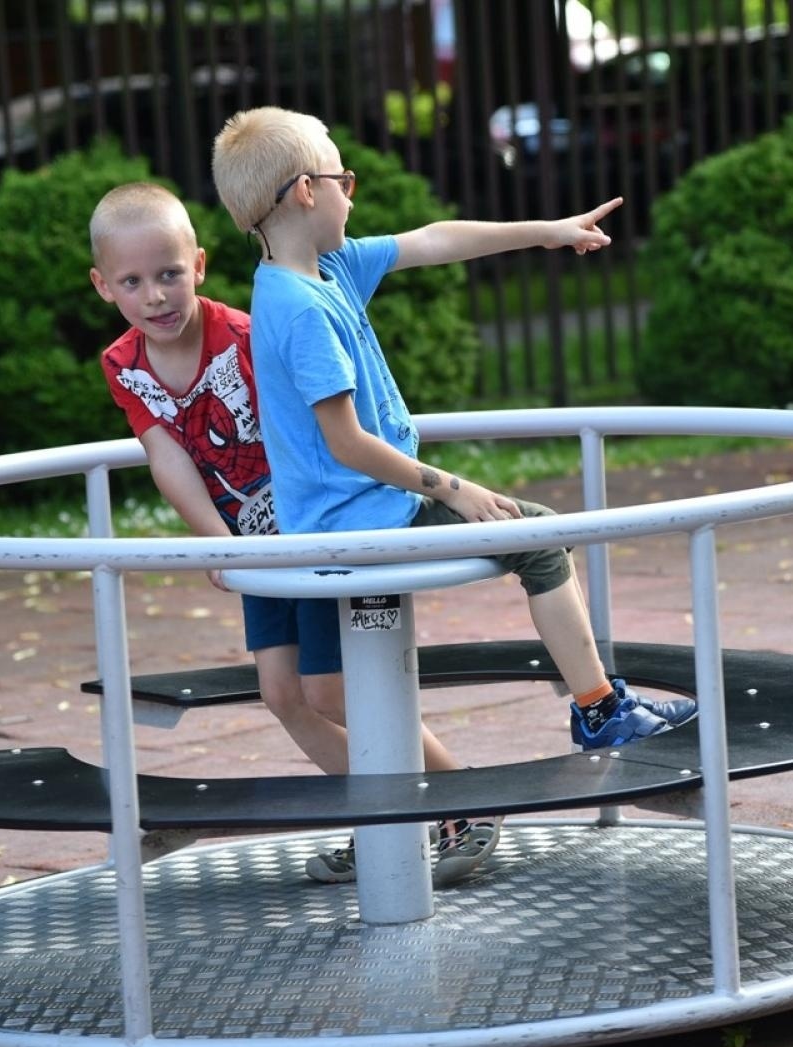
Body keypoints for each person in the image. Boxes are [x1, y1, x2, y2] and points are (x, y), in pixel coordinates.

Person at [209, 106, 697, 766]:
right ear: (305, 190)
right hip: (366, 517)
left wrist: (547, 232)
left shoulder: (325, 270)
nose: (351, 196)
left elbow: (436, 239)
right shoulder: (300, 312)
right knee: (541, 536)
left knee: (329, 689)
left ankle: (438, 807)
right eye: (342, 181)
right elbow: (346, 442)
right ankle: (599, 707)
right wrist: (456, 489)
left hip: (326, 521)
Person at [88, 181, 496, 886]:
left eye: (169, 274)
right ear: (104, 287)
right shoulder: (125, 365)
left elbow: (318, 427)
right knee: (282, 695)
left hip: (307, 527)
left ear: (201, 266)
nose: (155, 295)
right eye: (133, 282)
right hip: (252, 542)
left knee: (330, 690)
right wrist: (219, 540)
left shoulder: (247, 334)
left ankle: (462, 801)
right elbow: (169, 457)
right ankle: (386, 821)